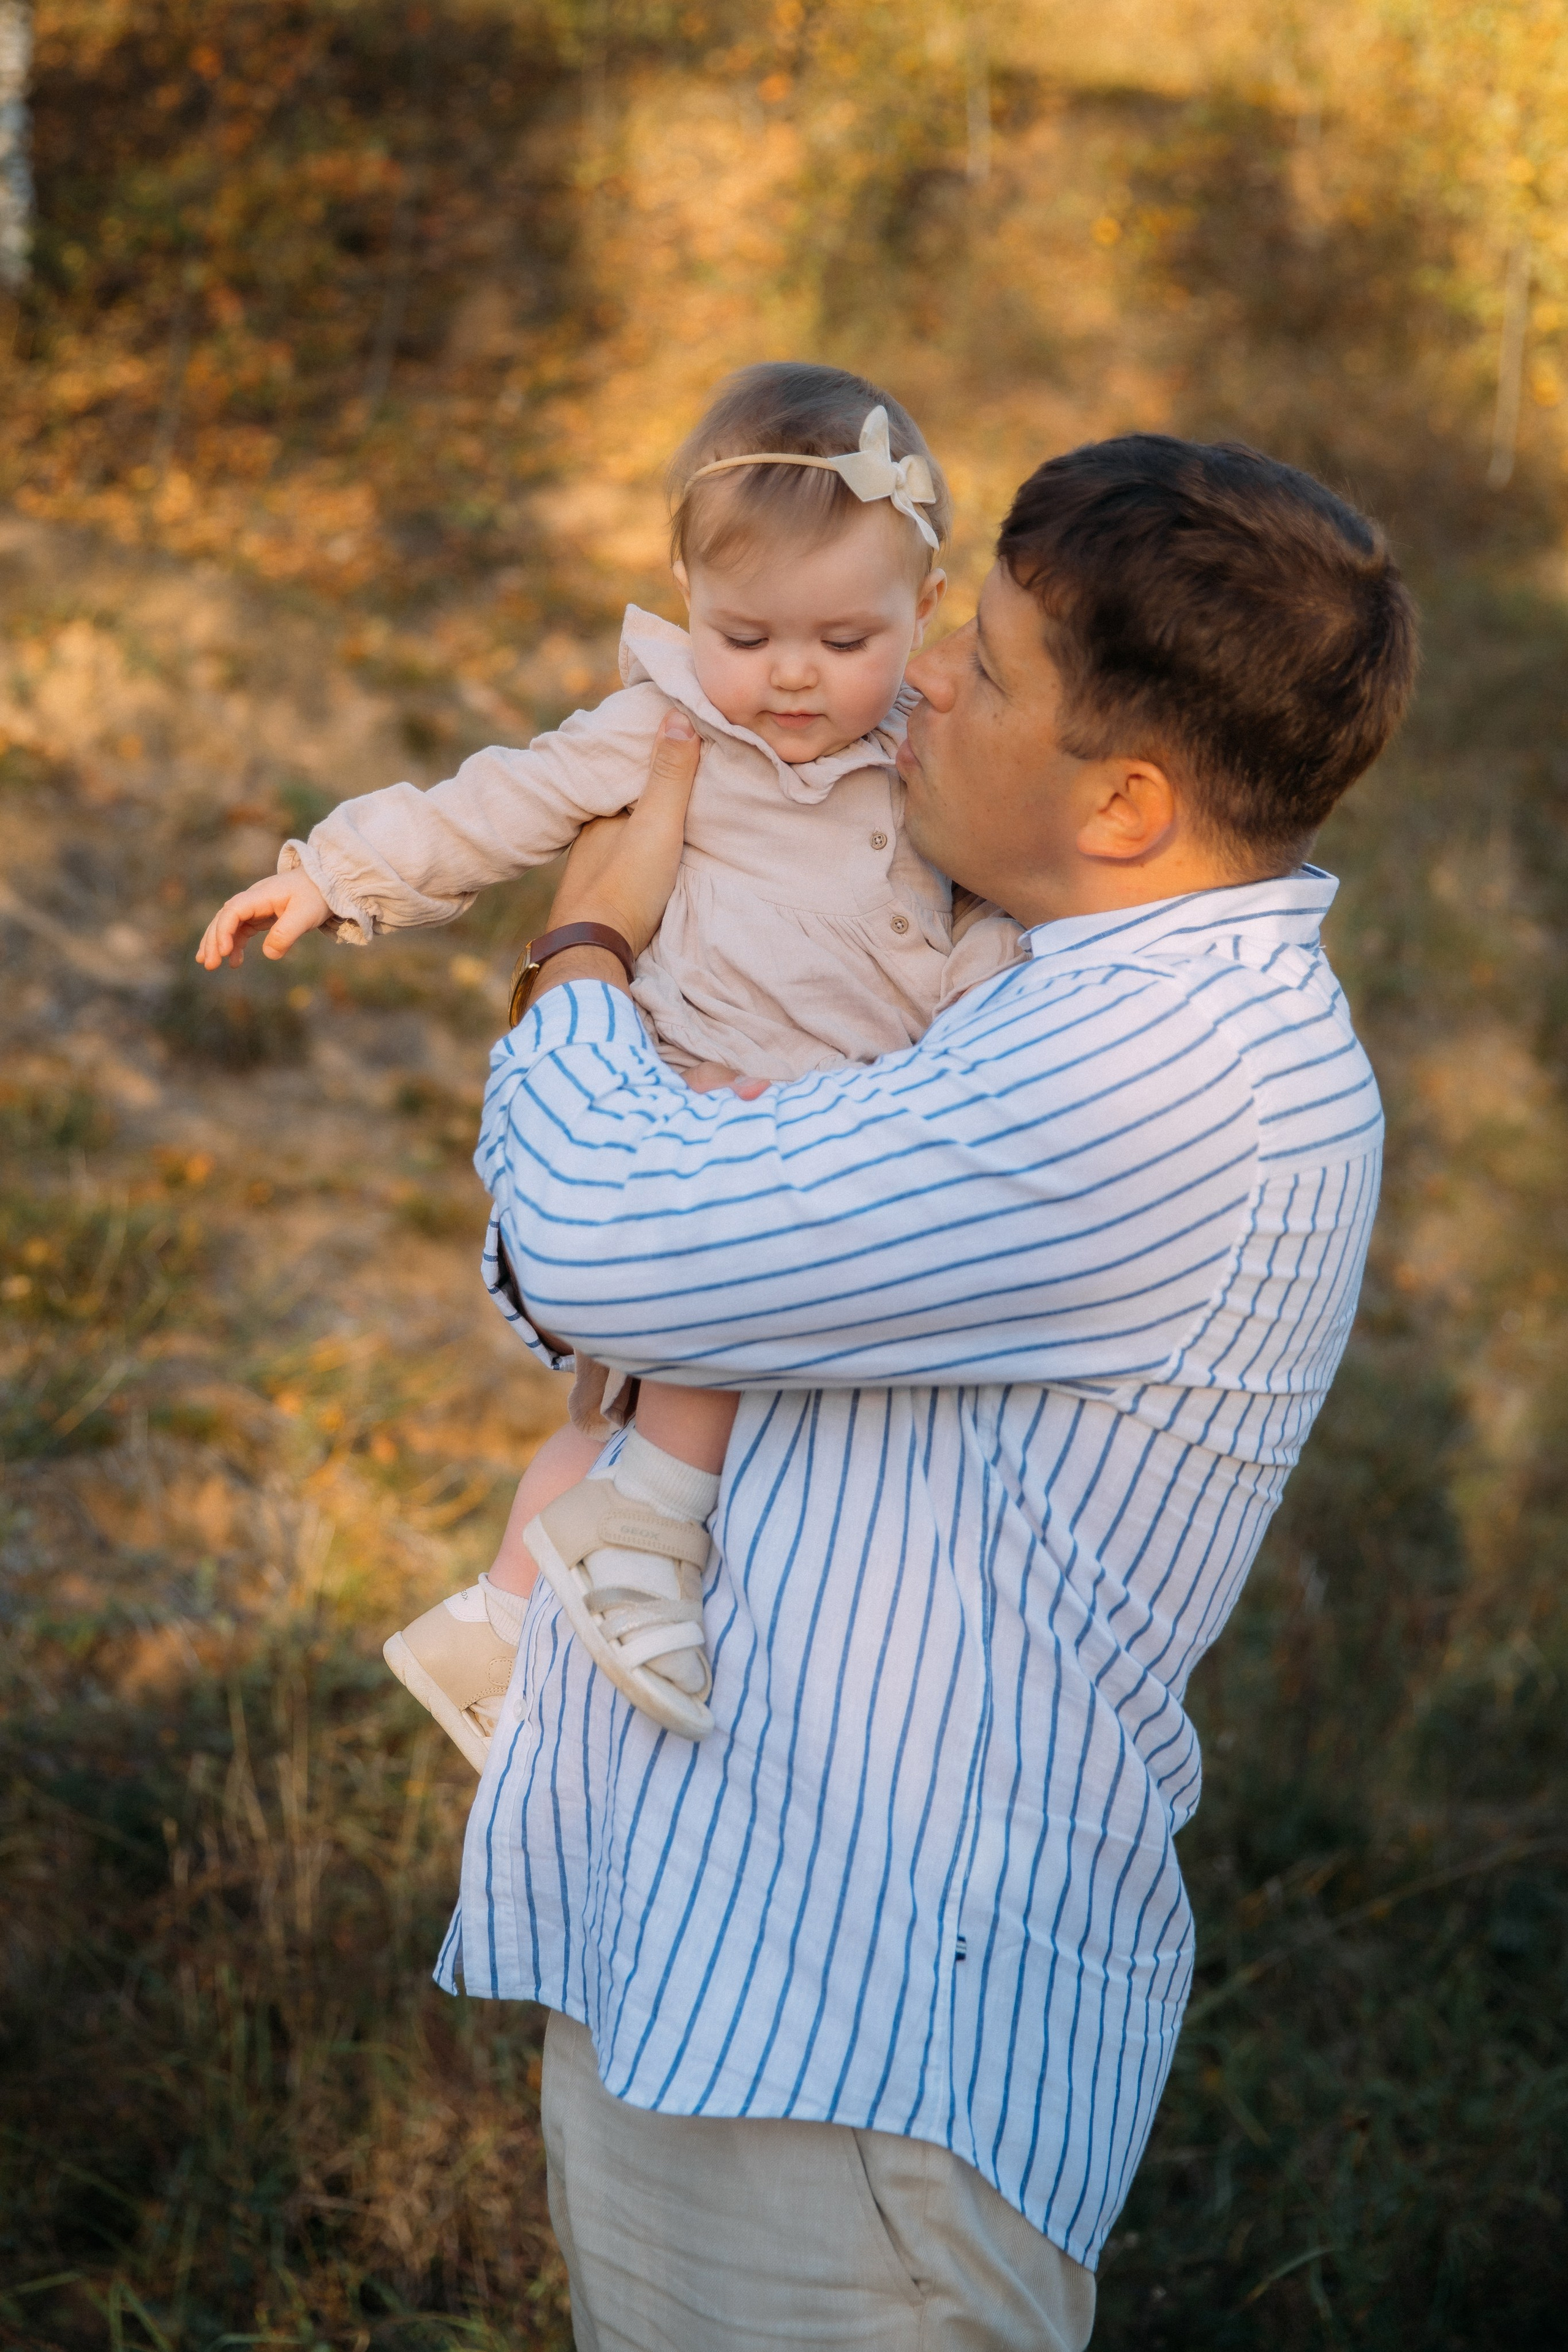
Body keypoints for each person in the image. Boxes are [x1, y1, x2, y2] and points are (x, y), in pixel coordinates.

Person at [450, 433, 1417, 2350]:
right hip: (734, 1965)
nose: (931, 679)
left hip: (857, 2064)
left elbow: (603, 1249)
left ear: (1126, 801)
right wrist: (623, 1184)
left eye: (994, 664)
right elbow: (606, 1275)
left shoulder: (1147, 1077)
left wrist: (586, 946)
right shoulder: (1038, 991)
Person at [194, 363, 1020, 1754]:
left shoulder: (931, 758)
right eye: (746, 634)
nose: (792, 674)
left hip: (848, 1124)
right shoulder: (666, 727)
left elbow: (985, 916)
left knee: (643, 1410)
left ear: (924, 609)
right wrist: (335, 874)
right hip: (688, 1093)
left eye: (842, 638)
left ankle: (500, 1621)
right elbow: (495, 803)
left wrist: (997, 1015)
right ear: (685, 600)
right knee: (713, 1330)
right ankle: (637, 1542)